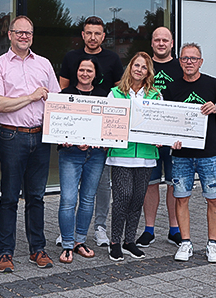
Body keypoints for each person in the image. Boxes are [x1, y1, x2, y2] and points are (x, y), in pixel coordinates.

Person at [0, 15, 61, 273]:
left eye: (28, 33)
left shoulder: (44, 64)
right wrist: (31, 97)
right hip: (12, 136)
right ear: (9, 34)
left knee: (36, 197)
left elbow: (56, 103)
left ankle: (37, 250)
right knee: (8, 198)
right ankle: (5, 253)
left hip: (40, 137)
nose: (24, 37)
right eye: (19, 32)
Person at [57, 15, 124, 248]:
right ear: (83, 35)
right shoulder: (70, 57)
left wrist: (103, 136)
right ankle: (68, 234)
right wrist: (68, 135)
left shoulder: (113, 59)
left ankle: (98, 228)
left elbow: (118, 100)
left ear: (103, 36)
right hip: (72, 143)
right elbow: (63, 99)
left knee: (98, 189)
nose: (93, 37)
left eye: (98, 33)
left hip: (99, 143)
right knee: (69, 195)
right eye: (89, 33)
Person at [163, 43, 216, 263]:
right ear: (179, 62)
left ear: (201, 61)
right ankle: (185, 243)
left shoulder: (212, 83)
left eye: (193, 58)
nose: (189, 62)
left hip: (208, 154)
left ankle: (212, 244)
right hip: (181, 155)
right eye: (185, 58)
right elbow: (167, 119)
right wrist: (169, 140)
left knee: (213, 199)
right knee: (181, 198)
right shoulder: (171, 88)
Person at [106, 52, 160, 261]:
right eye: (136, 65)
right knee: (122, 197)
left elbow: (160, 124)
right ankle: (115, 242)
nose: (139, 69)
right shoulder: (115, 93)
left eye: (144, 67)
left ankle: (129, 241)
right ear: (130, 68)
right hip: (121, 155)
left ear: (148, 72)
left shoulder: (155, 95)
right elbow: (108, 122)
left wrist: (160, 138)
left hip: (146, 155)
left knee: (137, 198)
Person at [57, 56, 109, 264]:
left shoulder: (104, 96)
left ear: (95, 74)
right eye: (81, 70)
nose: (85, 74)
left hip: (95, 155)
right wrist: (69, 140)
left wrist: (102, 140)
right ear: (75, 72)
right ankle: (67, 244)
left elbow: (109, 126)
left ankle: (80, 241)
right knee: (68, 200)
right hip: (70, 155)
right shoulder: (64, 95)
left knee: (88, 200)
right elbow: (58, 127)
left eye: (89, 70)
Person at [136, 27, 184, 248]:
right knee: (150, 184)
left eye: (165, 40)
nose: (161, 43)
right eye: (157, 40)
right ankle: (149, 229)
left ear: (172, 43)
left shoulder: (180, 67)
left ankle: (174, 229)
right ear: (152, 43)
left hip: (175, 138)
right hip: (149, 137)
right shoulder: (144, 66)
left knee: (174, 184)